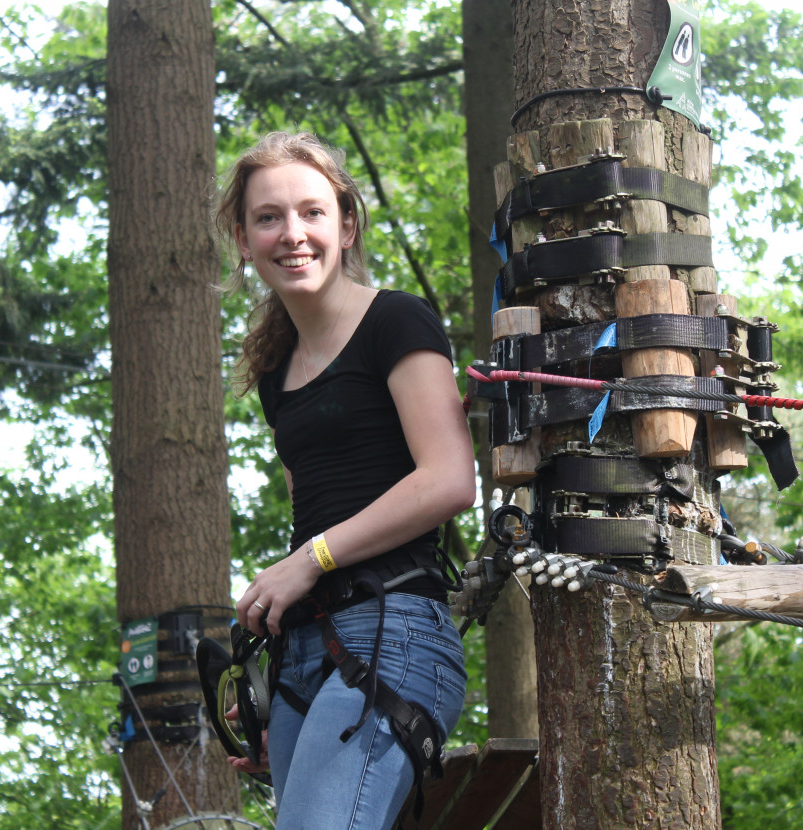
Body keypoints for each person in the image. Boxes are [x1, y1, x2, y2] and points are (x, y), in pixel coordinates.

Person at [214, 131, 476, 830]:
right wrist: (277, 684)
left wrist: (310, 561)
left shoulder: (395, 320)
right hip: (306, 653)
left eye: (311, 212)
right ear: (241, 238)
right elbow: (315, 507)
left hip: (395, 634)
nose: (291, 233)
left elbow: (449, 480)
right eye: (268, 218)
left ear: (346, 224)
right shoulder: (276, 372)